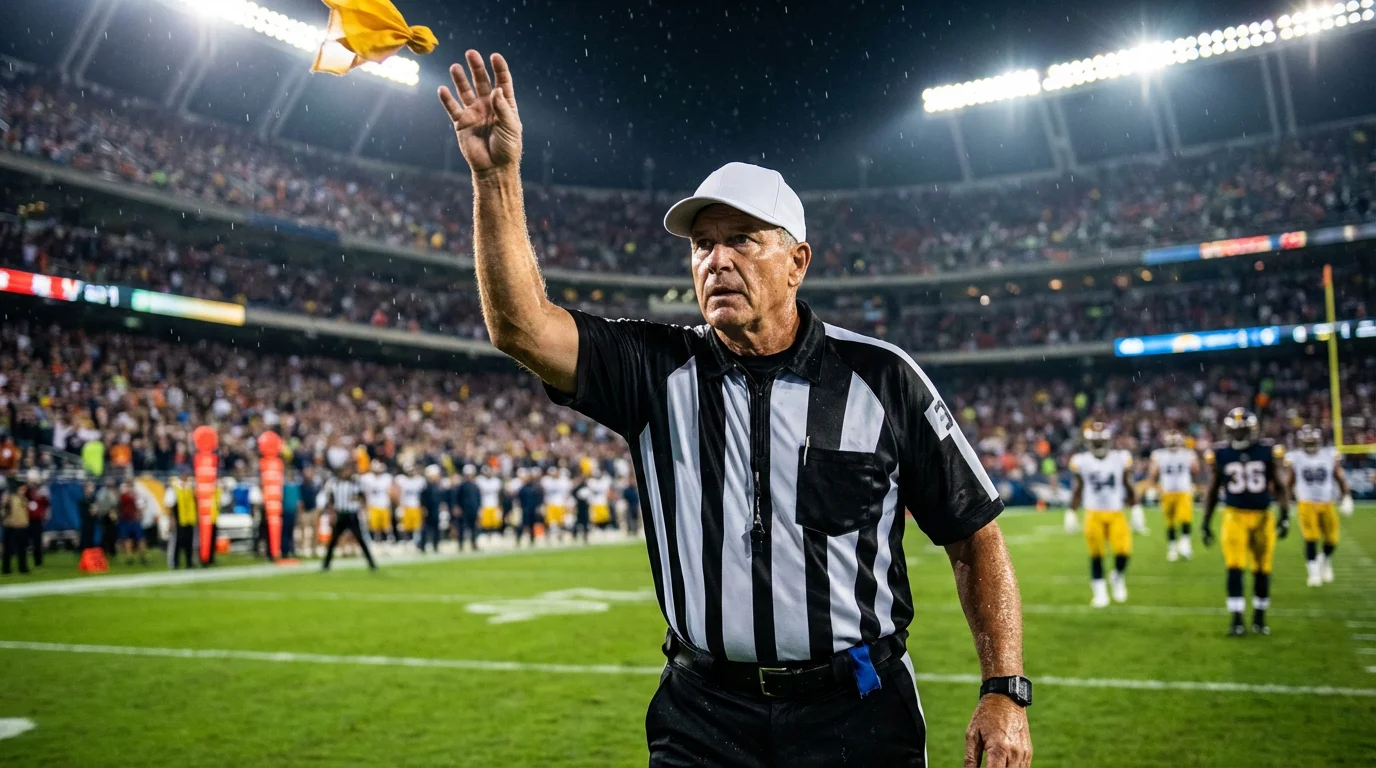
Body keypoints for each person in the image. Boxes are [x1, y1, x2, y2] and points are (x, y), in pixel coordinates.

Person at [439, 51, 1032, 767]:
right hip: (703, 717)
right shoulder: (655, 368)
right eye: (702, 245)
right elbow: (521, 329)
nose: (716, 260)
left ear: (797, 261)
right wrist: (495, 176)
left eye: (742, 240)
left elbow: (975, 536)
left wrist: (1003, 687)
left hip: (855, 713)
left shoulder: (882, 378)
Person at [1202, 408, 1290, 636]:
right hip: (1234, 515)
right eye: (1235, 431)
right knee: (1235, 567)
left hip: (1262, 516)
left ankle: (1260, 617)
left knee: (1262, 569)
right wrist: (1205, 521)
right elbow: (1212, 489)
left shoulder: (1267, 450)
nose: (1238, 436)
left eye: (1242, 431)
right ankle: (1237, 618)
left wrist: (1285, 514)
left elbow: (1280, 484)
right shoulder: (1221, 453)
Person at [1068, 423, 1137, 607]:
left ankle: (1117, 576)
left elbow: (1128, 484)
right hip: (1093, 512)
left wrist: (1136, 507)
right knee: (1096, 554)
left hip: (1116, 512)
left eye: (1100, 442)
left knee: (1124, 551)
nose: (1098, 445)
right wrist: (1071, 511)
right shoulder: (1081, 461)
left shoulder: (1120, 458)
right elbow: (1078, 487)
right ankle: (1099, 593)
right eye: (1095, 442)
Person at [1286, 424, 1353, 587]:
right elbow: (1290, 480)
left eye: (1312, 442)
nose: (1309, 445)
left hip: (1326, 501)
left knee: (1332, 539)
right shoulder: (1296, 457)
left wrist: (1346, 496)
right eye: (1307, 442)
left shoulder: (1329, 454)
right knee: (1311, 538)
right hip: (1306, 502)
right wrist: (1289, 500)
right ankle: (1314, 573)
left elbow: (1339, 476)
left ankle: (1324, 559)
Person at [1148, 430, 1198, 561]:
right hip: (1168, 491)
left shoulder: (1186, 454)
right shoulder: (1162, 454)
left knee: (1184, 518)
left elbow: (1153, 473)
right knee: (1170, 522)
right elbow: (1153, 473)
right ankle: (1173, 548)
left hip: (1182, 491)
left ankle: (1184, 544)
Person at [321, 464, 376, 571]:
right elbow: (331, 500)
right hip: (341, 514)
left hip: (352, 515)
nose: (346, 473)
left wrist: (359, 503)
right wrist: (332, 514)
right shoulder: (334, 484)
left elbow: (363, 498)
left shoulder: (355, 483)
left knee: (360, 539)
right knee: (333, 541)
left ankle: (372, 564)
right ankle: (326, 565)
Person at [164, 473, 198, 569]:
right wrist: (171, 519)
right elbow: (169, 505)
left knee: (189, 542)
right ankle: (174, 563)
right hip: (178, 518)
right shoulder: (174, 488)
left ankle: (189, 562)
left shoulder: (190, 487)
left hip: (189, 519)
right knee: (176, 542)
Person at [361, 460, 395, 544]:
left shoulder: (387, 477)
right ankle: (377, 541)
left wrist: (390, 502)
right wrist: (365, 505)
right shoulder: (366, 478)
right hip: (373, 505)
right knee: (375, 526)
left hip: (384, 504)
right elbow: (365, 493)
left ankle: (389, 540)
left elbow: (390, 491)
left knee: (387, 525)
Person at [3, 478, 32, 575]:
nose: (24, 490)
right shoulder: (10, 498)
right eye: (22, 488)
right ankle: (6, 569)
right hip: (11, 526)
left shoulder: (23, 498)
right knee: (8, 549)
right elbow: (4, 512)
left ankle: (23, 568)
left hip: (22, 526)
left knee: (22, 549)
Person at [117, 479, 148, 566]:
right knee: (128, 539)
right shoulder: (126, 495)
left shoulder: (135, 495)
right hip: (127, 519)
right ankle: (130, 557)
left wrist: (140, 513)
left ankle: (142, 556)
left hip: (133, 520)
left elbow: (141, 506)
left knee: (139, 539)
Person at [23, 469, 48, 567]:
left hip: (37, 520)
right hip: (27, 519)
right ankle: (24, 562)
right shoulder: (26, 491)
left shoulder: (41, 491)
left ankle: (38, 561)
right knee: (25, 542)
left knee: (37, 541)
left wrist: (43, 515)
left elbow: (46, 504)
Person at [396, 467, 427, 546]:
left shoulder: (419, 480)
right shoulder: (401, 480)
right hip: (405, 506)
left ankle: (416, 542)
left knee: (417, 526)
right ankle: (406, 542)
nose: (410, 472)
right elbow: (398, 492)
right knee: (405, 527)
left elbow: (423, 494)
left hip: (416, 506)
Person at [417, 465, 445, 553]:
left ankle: (435, 546)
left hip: (435, 510)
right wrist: (423, 508)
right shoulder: (426, 486)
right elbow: (422, 499)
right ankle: (422, 546)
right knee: (426, 529)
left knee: (436, 529)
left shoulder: (436, 486)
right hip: (428, 510)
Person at [454, 465, 481, 551]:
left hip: (473, 509)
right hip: (464, 509)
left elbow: (478, 498)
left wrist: (478, 508)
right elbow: (457, 498)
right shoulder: (462, 486)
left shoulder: (475, 486)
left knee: (474, 528)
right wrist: (458, 507)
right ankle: (461, 545)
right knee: (462, 528)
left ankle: (473, 544)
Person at [516, 468, 544, 546]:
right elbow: (519, 498)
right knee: (523, 525)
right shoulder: (524, 488)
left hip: (532, 509)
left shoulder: (534, 488)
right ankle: (518, 539)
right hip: (525, 509)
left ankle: (532, 540)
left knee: (531, 526)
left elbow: (538, 499)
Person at [299, 466, 322, 558]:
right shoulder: (301, 486)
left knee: (315, 531)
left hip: (314, 509)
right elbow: (300, 499)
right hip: (305, 510)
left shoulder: (315, 485)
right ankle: (303, 549)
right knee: (303, 530)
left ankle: (314, 549)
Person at [475, 464, 504, 535]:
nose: (487, 473)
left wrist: (501, 504)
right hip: (484, 504)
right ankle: (486, 534)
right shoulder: (479, 480)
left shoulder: (496, 481)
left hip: (494, 503)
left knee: (496, 522)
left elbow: (501, 494)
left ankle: (494, 534)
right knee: (484, 523)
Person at [281, 472, 302, 559]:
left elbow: (298, 502)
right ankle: (288, 551)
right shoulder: (287, 487)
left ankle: (288, 551)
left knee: (288, 533)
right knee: (288, 533)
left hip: (290, 512)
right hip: (288, 512)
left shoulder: (287, 487)